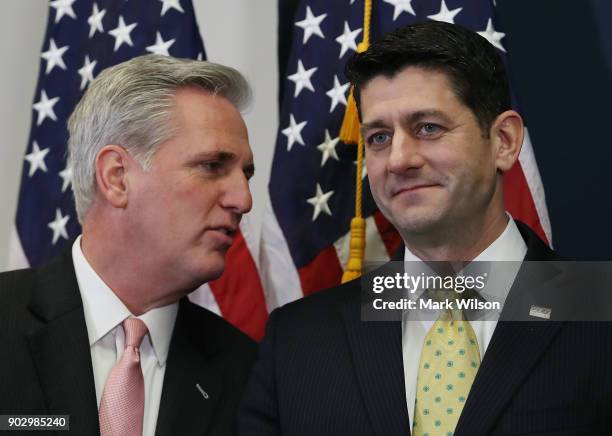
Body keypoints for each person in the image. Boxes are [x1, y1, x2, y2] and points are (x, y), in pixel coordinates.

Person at [238, 22, 612, 435]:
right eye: (379, 137)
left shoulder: (601, 310)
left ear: (503, 140)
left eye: (428, 128)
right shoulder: (298, 340)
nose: (399, 159)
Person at [0, 54, 257, 436]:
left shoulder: (250, 372)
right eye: (212, 166)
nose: (243, 199)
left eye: (245, 174)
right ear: (117, 177)